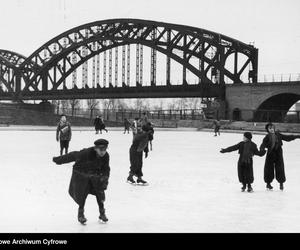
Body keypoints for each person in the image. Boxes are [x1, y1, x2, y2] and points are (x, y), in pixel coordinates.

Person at [52, 139, 110, 224]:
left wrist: (105, 178)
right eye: (100, 150)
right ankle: (80, 214)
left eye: (105, 149)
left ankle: (102, 213)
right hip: (82, 176)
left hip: (95, 177)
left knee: (99, 194)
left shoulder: (106, 156)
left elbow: (106, 168)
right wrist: (59, 160)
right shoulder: (85, 154)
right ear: (95, 148)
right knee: (83, 194)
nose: (103, 152)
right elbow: (73, 155)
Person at [259, 123, 300, 191]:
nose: (271, 129)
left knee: (280, 168)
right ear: (267, 130)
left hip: (278, 153)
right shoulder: (267, 137)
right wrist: (261, 150)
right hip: (270, 154)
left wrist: (297, 136)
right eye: (270, 128)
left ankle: (281, 183)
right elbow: (263, 145)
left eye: (272, 128)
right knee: (268, 169)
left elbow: (287, 138)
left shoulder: (278, 134)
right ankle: (268, 184)